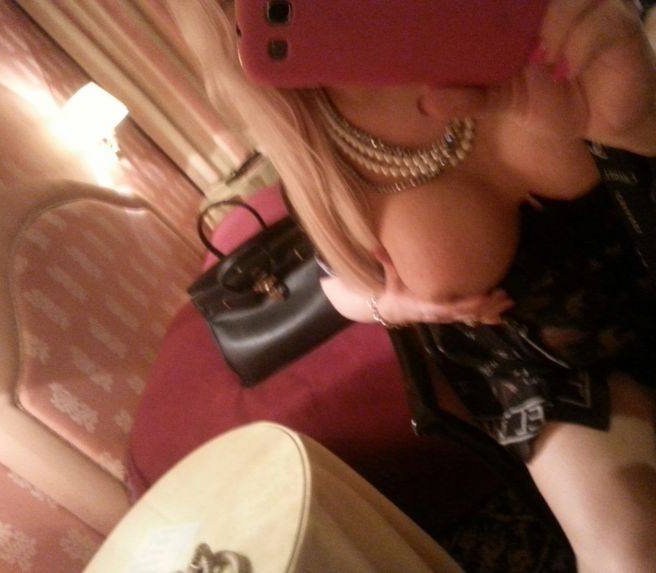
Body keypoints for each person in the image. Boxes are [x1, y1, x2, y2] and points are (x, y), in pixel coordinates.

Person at [170, 1, 656, 570]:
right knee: (630, 557)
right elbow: (334, 282)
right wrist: (395, 304)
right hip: (545, 364)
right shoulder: (314, 143)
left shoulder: (523, 20)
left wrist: (641, 117)